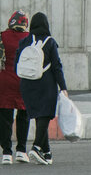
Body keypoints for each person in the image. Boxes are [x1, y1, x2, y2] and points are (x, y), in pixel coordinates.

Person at [16, 12, 68, 165]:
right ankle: (36, 147)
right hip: (45, 84)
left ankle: (47, 153)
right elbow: (57, 67)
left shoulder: (25, 41)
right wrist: (63, 87)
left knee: (39, 117)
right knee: (45, 115)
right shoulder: (50, 42)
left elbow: (16, 64)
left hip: (27, 84)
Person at [0, 10, 30, 165]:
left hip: (5, 83)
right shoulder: (29, 38)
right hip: (23, 82)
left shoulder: (2, 37)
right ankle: (21, 150)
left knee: (5, 118)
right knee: (23, 117)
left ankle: (6, 153)